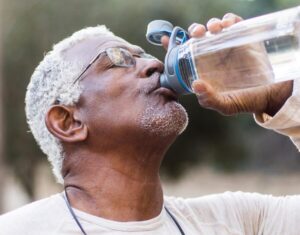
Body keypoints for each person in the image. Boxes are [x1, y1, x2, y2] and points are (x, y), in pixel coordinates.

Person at [0, 13, 299, 235]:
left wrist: (281, 99)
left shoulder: (240, 221)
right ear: (68, 122)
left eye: (144, 55)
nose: (155, 64)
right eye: (118, 59)